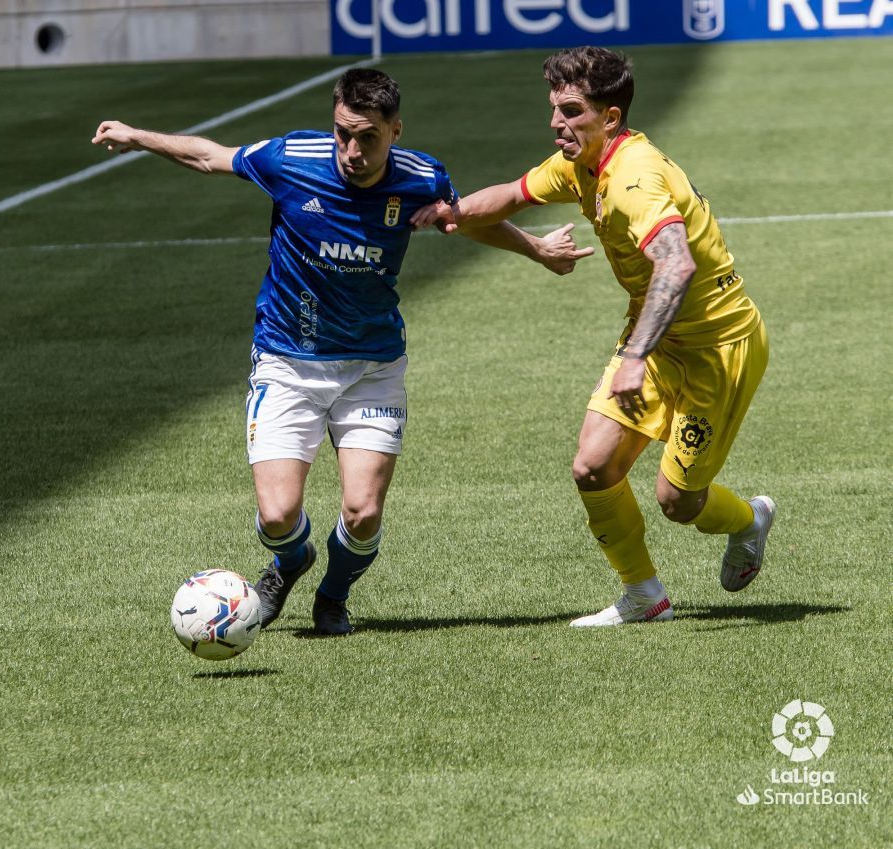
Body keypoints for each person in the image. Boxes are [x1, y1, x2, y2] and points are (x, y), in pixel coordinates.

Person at [92, 68, 592, 635]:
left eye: (368, 137)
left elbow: (464, 221)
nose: (352, 150)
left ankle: (332, 595)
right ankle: (291, 560)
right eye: (342, 133)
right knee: (278, 516)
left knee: (363, 512)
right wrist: (138, 136)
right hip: (286, 361)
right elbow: (211, 156)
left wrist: (538, 249)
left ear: (395, 130)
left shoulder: (423, 177)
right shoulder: (292, 159)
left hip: (371, 367)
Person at [411, 47, 775, 626]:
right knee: (593, 467)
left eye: (572, 110)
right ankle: (643, 595)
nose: (557, 122)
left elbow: (675, 266)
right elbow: (509, 194)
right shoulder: (583, 164)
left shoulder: (634, 176)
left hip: (719, 347)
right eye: (554, 108)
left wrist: (634, 359)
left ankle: (750, 517)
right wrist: (451, 211)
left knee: (677, 503)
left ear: (610, 118)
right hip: (654, 340)